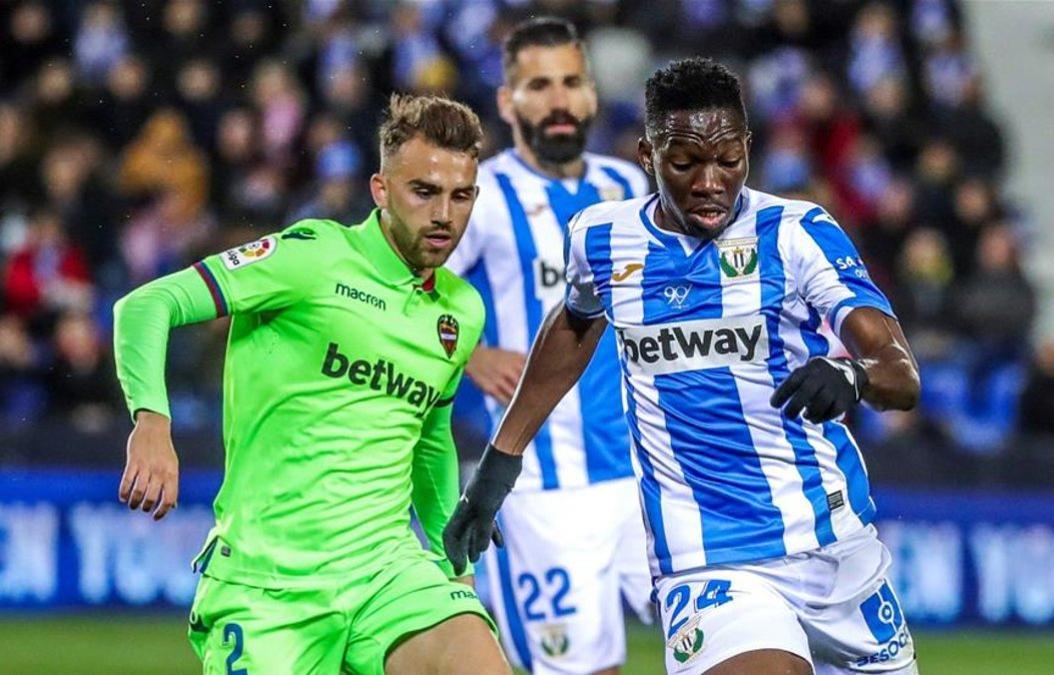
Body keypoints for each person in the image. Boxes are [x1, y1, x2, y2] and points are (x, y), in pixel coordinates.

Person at [446, 58, 922, 675]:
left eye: (728, 160)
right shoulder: (601, 239)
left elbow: (899, 372)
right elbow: (573, 327)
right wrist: (497, 469)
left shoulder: (796, 232)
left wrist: (852, 375)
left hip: (834, 548)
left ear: (748, 149)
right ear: (648, 155)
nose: (709, 182)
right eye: (685, 162)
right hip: (707, 559)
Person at [111, 94, 508, 675]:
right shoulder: (312, 257)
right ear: (380, 189)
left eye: (461, 195)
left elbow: (429, 438)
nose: (445, 214)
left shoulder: (459, 310)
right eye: (423, 192)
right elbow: (148, 304)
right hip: (269, 585)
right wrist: (151, 418)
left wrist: (456, 566)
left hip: (387, 572)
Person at [443, 17, 653, 675]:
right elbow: (410, 295)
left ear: (591, 95)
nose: (558, 100)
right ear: (507, 103)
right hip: (539, 486)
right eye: (538, 85)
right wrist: (471, 356)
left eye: (570, 82)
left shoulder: (631, 188)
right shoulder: (481, 197)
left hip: (649, 474)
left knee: (732, 648)